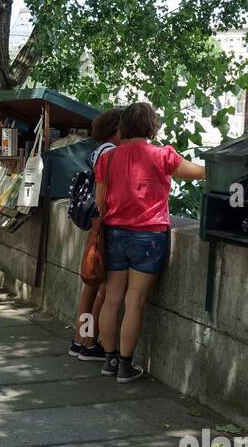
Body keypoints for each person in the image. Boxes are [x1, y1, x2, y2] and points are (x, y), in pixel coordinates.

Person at [93, 102, 205, 382]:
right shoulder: (162, 155)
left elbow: (99, 202)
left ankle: (109, 360)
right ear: (151, 125)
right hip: (149, 236)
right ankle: (126, 366)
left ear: (125, 126)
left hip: (115, 233)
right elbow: (199, 172)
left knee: (111, 300)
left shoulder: (107, 159)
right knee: (135, 303)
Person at [69, 107, 121, 359]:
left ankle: (80, 338)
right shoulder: (111, 153)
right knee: (100, 288)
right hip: (104, 226)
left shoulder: (98, 150)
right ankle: (89, 340)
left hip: (94, 224)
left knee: (90, 287)